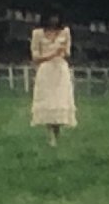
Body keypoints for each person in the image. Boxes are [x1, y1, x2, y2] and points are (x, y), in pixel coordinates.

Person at [29, 12, 77, 146]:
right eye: (51, 16)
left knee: (59, 102)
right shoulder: (37, 33)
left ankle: (57, 133)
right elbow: (35, 57)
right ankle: (50, 135)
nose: (54, 19)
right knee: (48, 102)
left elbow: (67, 53)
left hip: (60, 70)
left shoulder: (65, 32)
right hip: (45, 71)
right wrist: (52, 54)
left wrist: (62, 51)